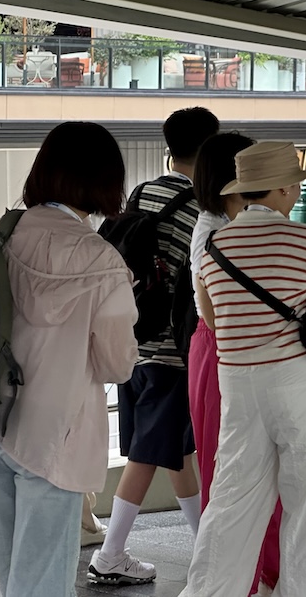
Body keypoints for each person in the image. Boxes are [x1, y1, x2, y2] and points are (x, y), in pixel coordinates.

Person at [182, 141, 306, 597]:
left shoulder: (212, 248)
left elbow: (210, 317)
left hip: (239, 388)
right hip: (298, 385)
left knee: (232, 505)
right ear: (287, 188)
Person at [0, 121, 138, 597]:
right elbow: (117, 364)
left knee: (10, 578)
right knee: (43, 579)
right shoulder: (101, 258)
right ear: (103, 180)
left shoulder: (0, 235)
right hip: (57, 432)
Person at [89, 107, 218, 586]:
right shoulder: (203, 212)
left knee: (176, 451)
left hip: (132, 343)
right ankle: (109, 555)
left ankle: (207, 543)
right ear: (209, 151)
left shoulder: (142, 193)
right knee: (147, 453)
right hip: (173, 352)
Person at [188, 132, 281, 597]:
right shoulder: (215, 232)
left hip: (227, 352)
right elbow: (215, 315)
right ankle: (238, 583)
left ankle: (263, 576)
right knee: (229, 476)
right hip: (225, 353)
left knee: (253, 471)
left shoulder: (223, 224)